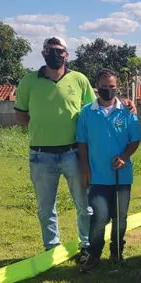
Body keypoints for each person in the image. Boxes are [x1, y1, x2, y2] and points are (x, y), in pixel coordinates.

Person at [13, 36, 95, 257]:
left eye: (59, 50)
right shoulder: (28, 81)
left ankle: (86, 245)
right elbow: (21, 115)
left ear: (66, 54)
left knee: (83, 203)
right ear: (43, 53)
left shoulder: (79, 80)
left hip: (74, 153)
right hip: (41, 155)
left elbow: (92, 112)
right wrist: (42, 127)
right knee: (45, 207)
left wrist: (124, 104)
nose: (55, 53)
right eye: (50, 50)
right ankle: (51, 248)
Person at [75, 69, 141, 272]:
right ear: (97, 88)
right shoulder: (87, 112)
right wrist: (85, 169)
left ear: (117, 88)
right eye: (104, 87)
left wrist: (123, 157)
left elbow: (135, 140)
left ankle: (117, 253)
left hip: (122, 177)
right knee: (99, 217)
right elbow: (82, 143)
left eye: (112, 87)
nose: (108, 90)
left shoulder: (127, 112)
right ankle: (94, 255)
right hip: (97, 177)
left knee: (120, 218)